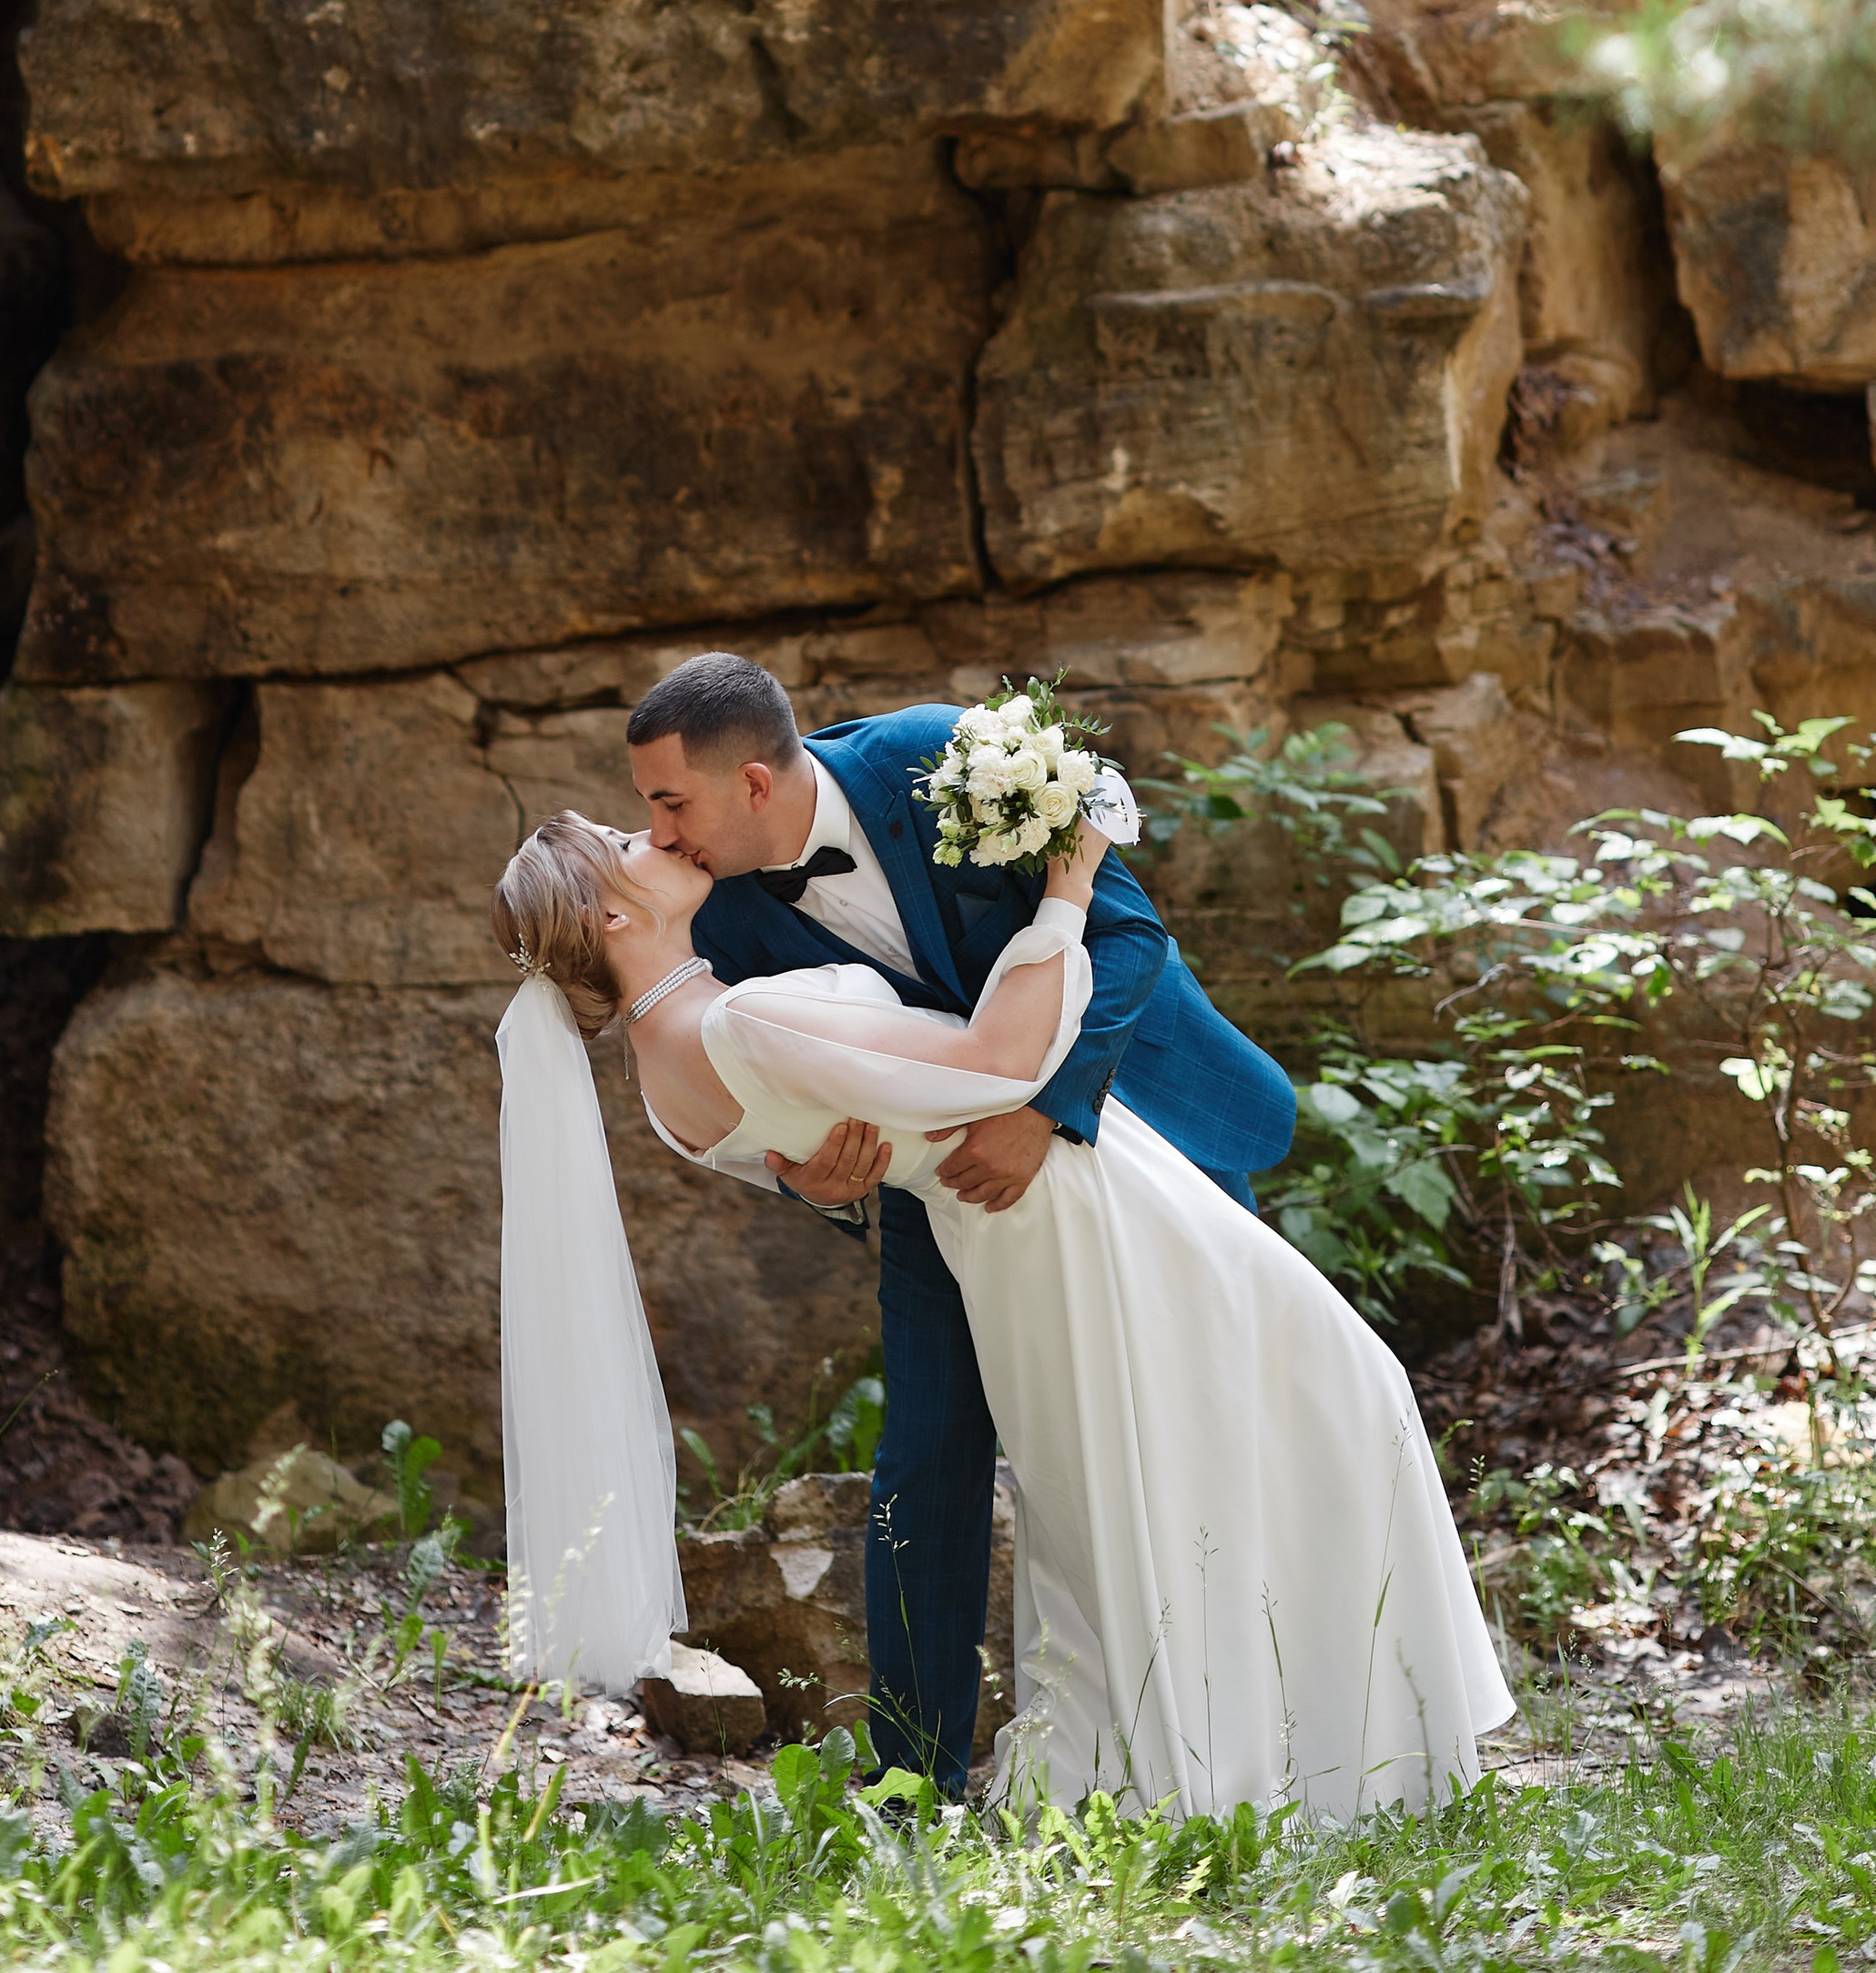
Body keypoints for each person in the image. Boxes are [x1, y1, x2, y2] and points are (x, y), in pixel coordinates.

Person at [491, 803, 1511, 1822]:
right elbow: (995, 1063)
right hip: (1067, 1203)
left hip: (1014, 1226)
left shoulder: (662, 1079)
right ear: (609, 918)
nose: (656, 833)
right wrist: (1068, 884)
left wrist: (819, 1173)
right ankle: (1338, 1743)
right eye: (624, 845)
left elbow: (811, 1142)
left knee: (1159, 1475)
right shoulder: (736, 1021)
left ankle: (1269, 1740)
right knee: (1320, 1395)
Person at [624, 652, 1298, 1790]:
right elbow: (770, 1090)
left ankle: (1271, 1697)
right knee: (926, 1454)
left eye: (669, 801)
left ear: (751, 782)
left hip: (1131, 1112)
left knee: (1223, 1399)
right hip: (946, 1196)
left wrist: (1046, 1108)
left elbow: (1128, 937)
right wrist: (812, 1181)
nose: (659, 831)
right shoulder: (716, 915)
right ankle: (914, 1777)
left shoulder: (941, 758)